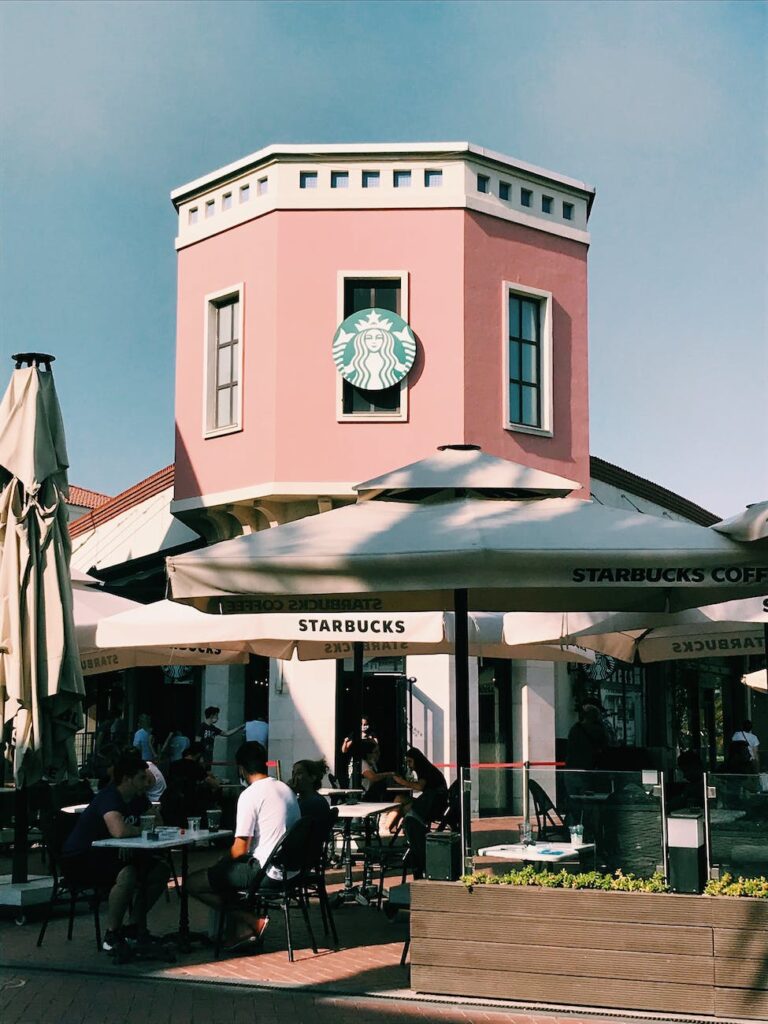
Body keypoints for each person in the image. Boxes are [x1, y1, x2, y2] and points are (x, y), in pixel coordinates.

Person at [188, 741, 300, 954]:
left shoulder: (250, 794)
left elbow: (240, 849)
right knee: (224, 875)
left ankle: (251, 921)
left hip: (267, 872)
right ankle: (240, 930)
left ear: (241, 768)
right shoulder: (285, 789)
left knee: (195, 882)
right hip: (291, 869)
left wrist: (221, 862)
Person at [61, 750, 170, 953]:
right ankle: (112, 934)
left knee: (160, 871)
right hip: (81, 858)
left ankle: (134, 927)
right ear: (127, 779)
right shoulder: (109, 797)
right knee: (128, 874)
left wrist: (130, 839)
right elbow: (119, 830)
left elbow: (158, 822)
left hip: (113, 854)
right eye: (141, 778)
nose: (147, 783)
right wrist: (136, 834)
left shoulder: (138, 798)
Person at [391, 747, 448, 825]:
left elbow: (419, 787)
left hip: (432, 805)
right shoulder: (427, 768)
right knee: (399, 799)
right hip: (433, 803)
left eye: (410, 761)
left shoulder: (424, 769)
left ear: (416, 760)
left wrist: (402, 782)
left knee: (402, 805)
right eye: (407, 762)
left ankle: (388, 826)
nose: (408, 765)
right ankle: (394, 826)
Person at [290, 758, 334, 829]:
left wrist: (290, 793)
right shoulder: (302, 800)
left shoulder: (314, 802)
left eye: (299, 773)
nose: (294, 778)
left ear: (312, 778)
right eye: (293, 773)